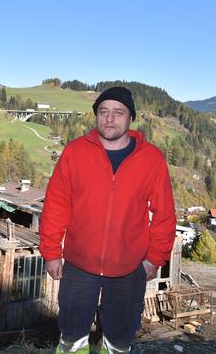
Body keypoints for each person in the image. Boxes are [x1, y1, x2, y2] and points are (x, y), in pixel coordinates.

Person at [39, 86, 176, 354]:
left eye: (118, 113)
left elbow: (165, 214)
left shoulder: (151, 159)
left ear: (130, 118)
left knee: (119, 342)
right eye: (103, 112)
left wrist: (154, 257)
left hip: (129, 267)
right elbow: (56, 205)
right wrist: (52, 252)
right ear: (96, 116)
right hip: (80, 264)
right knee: (71, 338)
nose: (110, 119)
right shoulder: (75, 152)